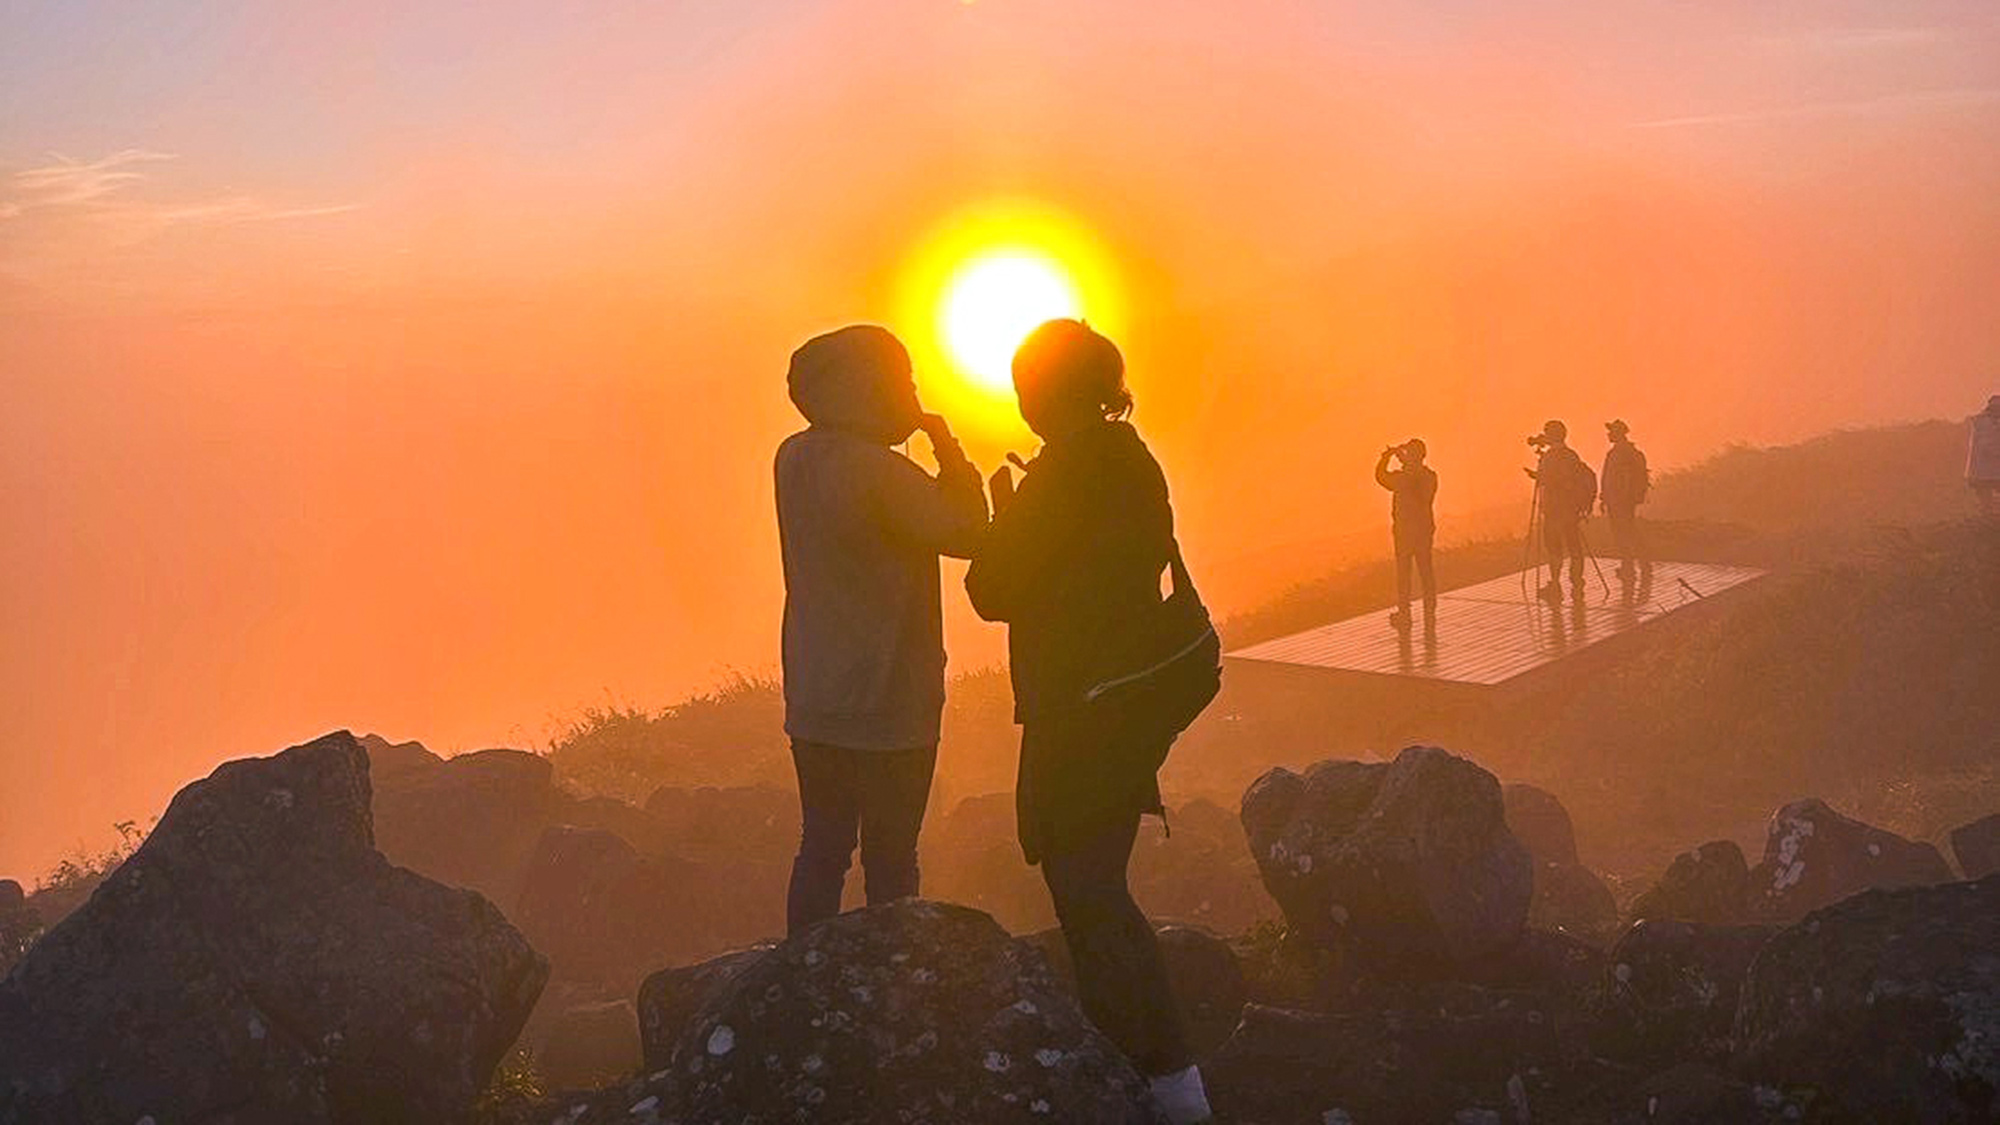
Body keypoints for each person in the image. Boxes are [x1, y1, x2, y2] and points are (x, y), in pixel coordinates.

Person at [965, 320, 1213, 1125]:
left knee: (1090, 892)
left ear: (1046, 390)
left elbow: (991, 589)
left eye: (1026, 385)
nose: (1022, 400)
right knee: (1096, 883)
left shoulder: (1068, 466)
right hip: (1125, 697)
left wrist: (1004, 515)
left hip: (1082, 703)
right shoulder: (1127, 453)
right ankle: (1163, 1077)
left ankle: (1164, 1079)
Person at [775, 325, 987, 935]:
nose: (912, 395)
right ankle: (892, 982)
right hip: (892, 701)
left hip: (816, 697)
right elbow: (968, 531)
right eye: (902, 380)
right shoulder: (879, 471)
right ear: (865, 389)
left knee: (822, 849)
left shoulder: (794, 455)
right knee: (892, 859)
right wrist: (945, 443)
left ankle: (804, 974)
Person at [1525, 419, 1594, 602]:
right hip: (1571, 509)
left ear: (1551, 435)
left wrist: (1536, 476)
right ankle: (1577, 581)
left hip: (1554, 509)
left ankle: (1555, 584)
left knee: (1554, 547)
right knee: (1574, 546)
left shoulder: (1550, 457)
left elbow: (1549, 479)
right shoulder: (1571, 455)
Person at [1375, 438, 1438, 630]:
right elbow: (1381, 477)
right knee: (1422, 571)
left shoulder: (1409, 477)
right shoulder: (1428, 475)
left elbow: (1382, 477)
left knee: (1408, 573)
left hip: (1408, 531)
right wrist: (1392, 459)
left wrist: (1390, 459)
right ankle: (1424, 611)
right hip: (1418, 530)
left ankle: (1408, 613)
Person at [1600, 419, 1651, 579]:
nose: (1608, 434)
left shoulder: (1620, 453)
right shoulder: (1626, 452)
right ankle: (1639, 563)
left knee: (1623, 531)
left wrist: (1609, 497)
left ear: (1617, 433)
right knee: (1628, 529)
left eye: (1611, 432)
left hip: (1619, 500)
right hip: (1621, 500)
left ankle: (1629, 565)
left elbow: (1613, 478)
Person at [1969, 395, 2000, 518]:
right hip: (1986, 469)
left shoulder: (1980, 422)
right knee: (1985, 496)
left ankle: (1989, 515)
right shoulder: (1985, 423)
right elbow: (1988, 446)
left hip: (1982, 470)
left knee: (1985, 496)